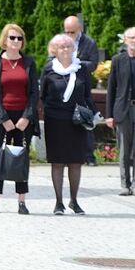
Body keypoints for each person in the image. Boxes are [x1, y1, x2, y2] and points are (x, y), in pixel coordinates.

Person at [0, 23, 39, 214]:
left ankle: (21, 201)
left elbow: (34, 92)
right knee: (0, 158)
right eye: (12, 37)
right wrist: (4, 119)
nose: (16, 41)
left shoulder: (29, 63)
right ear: (4, 40)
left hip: (23, 117)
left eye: (19, 38)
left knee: (21, 159)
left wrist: (26, 117)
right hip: (2, 117)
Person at [41, 34, 96, 215]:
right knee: (57, 162)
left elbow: (88, 95)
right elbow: (43, 95)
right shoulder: (49, 69)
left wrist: (91, 115)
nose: (65, 50)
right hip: (55, 121)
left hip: (76, 121)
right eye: (61, 47)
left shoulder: (81, 69)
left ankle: (74, 200)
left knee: (75, 162)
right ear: (54, 50)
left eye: (68, 46)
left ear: (74, 49)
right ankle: (58, 202)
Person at [105, 27, 135, 197]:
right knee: (124, 149)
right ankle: (124, 184)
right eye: (132, 38)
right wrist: (109, 115)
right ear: (125, 40)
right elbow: (111, 88)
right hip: (123, 110)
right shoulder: (118, 60)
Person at [63, 15, 101, 165]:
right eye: (67, 31)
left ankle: (89, 156)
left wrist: (76, 63)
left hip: (81, 86)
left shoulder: (89, 43)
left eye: (72, 32)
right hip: (64, 86)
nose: (69, 35)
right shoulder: (61, 42)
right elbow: (51, 59)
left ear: (80, 29)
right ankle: (66, 155)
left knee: (85, 119)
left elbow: (94, 64)